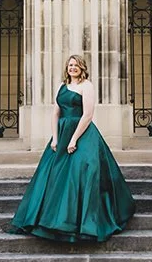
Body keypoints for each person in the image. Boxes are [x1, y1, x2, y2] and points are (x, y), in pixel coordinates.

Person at [10, 54, 136, 242]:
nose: (73, 68)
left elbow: (87, 115)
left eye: (76, 65)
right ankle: (51, 220)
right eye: (70, 65)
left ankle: (82, 223)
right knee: (53, 176)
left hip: (82, 133)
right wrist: (55, 138)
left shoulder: (87, 86)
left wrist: (73, 139)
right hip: (62, 133)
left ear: (82, 68)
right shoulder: (62, 86)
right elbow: (55, 113)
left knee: (82, 172)